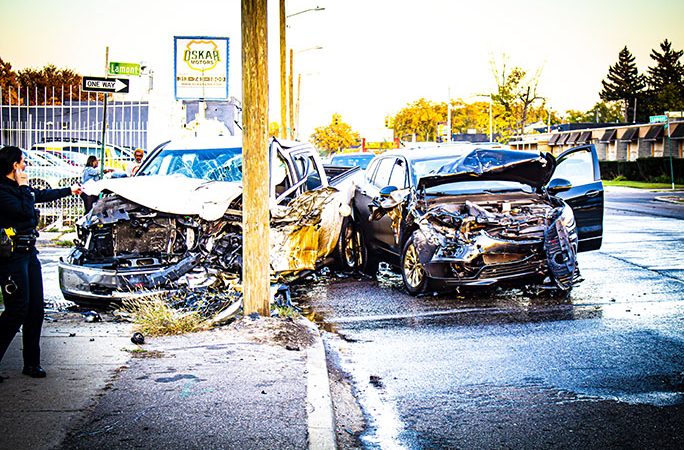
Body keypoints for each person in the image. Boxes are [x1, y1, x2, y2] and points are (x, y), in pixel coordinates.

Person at [0, 145, 81, 379]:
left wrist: (70, 190)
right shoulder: (4, 191)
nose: (26, 165)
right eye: (23, 161)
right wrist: (24, 186)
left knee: (36, 310)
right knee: (17, 310)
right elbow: (25, 212)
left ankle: (32, 363)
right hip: (12, 257)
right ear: (14, 165)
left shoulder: (19, 188)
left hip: (29, 253)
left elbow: (40, 196)